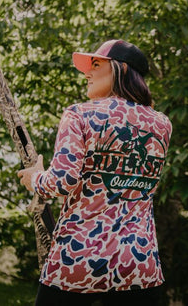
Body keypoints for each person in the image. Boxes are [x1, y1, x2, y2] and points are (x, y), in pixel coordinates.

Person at [18, 39, 172, 306]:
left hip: (78, 259)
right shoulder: (161, 124)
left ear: (120, 70)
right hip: (138, 262)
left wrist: (35, 178)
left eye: (96, 64)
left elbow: (62, 181)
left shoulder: (79, 115)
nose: (86, 72)